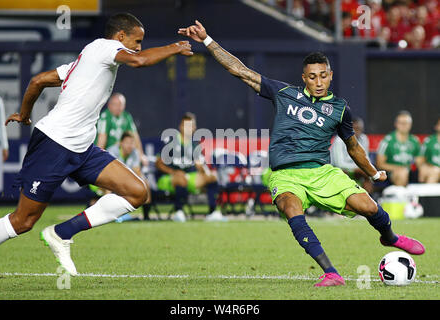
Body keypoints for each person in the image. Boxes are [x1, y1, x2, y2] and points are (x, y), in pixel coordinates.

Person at [178, 20, 425, 287]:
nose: (318, 81)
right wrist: (206, 40)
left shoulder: (340, 109)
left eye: (322, 75)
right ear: (304, 78)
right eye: (312, 76)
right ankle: (331, 273)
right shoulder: (284, 93)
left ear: (330, 75)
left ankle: (389, 237)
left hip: (321, 172)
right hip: (285, 175)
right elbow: (240, 71)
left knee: (368, 207)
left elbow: (353, 147)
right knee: (291, 208)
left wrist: (373, 171)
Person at [0, 13, 193, 276]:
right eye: (137, 40)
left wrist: (25, 114)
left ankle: (62, 233)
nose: (139, 46)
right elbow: (140, 61)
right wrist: (175, 47)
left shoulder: (86, 60)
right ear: (120, 37)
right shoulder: (105, 47)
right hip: (54, 143)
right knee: (23, 221)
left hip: (83, 148)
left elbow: (37, 80)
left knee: (137, 192)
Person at [155, 112, 225, 222]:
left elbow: (201, 165)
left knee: (212, 176)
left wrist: (203, 169)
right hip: (168, 178)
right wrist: (173, 172)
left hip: (188, 177)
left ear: (194, 128)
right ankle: (179, 212)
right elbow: (158, 163)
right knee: (181, 177)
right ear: (180, 126)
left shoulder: (195, 144)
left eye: (191, 125)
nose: (189, 128)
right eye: (186, 125)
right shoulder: (171, 141)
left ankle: (212, 212)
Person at [88, 92, 148, 206]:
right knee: (111, 184)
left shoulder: (126, 116)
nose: (118, 107)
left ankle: (144, 211)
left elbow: (135, 136)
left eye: (120, 104)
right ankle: (106, 207)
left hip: (122, 157)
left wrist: (141, 155)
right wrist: (99, 160)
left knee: (139, 178)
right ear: (109, 105)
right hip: (110, 156)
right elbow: (102, 139)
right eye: (115, 104)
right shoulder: (105, 117)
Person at [108, 131, 152, 222]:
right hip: (108, 180)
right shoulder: (112, 151)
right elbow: (110, 173)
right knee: (109, 184)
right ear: (121, 143)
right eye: (127, 142)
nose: (130, 145)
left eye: (132, 143)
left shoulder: (135, 153)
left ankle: (146, 216)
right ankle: (109, 215)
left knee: (145, 183)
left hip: (125, 181)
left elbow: (137, 172)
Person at [376, 111, 422, 186]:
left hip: (410, 172)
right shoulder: (387, 141)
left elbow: (420, 163)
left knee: (431, 171)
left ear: (410, 125)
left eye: (406, 123)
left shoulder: (415, 141)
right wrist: (399, 168)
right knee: (402, 172)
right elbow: (379, 164)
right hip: (391, 173)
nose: (404, 125)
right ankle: (402, 197)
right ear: (396, 124)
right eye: (401, 123)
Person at [331, 117, 374, 194]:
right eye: (355, 128)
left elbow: (366, 159)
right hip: (339, 170)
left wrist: (367, 170)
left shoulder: (364, 139)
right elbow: (339, 164)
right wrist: (358, 169)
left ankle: (367, 198)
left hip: (357, 170)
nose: (357, 132)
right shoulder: (339, 140)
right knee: (343, 172)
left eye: (359, 129)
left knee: (368, 174)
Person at [418, 116, 440, 183]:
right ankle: (428, 193)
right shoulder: (429, 141)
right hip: (433, 171)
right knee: (434, 172)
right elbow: (420, 161)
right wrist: (424, 168)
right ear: (436, 126)